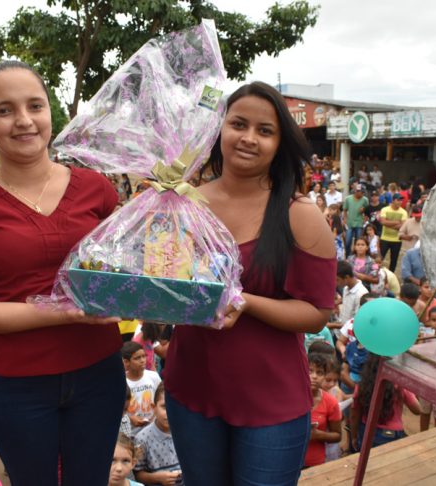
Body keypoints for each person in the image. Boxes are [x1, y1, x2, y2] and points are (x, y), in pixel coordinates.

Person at [0, 60, 125, 485]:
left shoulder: (96, 188)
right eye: (4, 110)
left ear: (50, 113)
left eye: (35, 106)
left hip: (98, 375)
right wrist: (65, 311)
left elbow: (121, 274)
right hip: (17, 387)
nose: (23, 120)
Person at [162, 82, 336, 486]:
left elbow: (317, 313)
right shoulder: (184, 204)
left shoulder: (298, 213)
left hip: (270, 403)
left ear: (279, 143)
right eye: (238, 124)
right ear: (219, 129)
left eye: (265, 130)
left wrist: (246, 302)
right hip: (191, 390)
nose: (249, 138)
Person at [350, 354, 421, 451]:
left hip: (367, 431)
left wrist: (354, 436)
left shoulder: (362, 385)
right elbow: (417, 410)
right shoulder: (399, 384)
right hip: (392, 434)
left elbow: (354, 414)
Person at [134, 383, 182, 486]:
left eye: (175, 407)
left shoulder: (186, 433)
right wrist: (157, 478)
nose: (169, 412)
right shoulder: (142, 439)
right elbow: (138, 474)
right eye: (164, 407)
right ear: (154, 408)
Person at [303, 353, 342, 468]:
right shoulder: (291, 397)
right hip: (289, 459)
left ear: (324, 376)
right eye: (310, 371)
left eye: (319, 372)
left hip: (314, 462)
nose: (314, 376)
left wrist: (318, 435)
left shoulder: (330, 402)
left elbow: (337, 436)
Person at [123, 341, 162, 434]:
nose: (142, 360)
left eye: (144, 356)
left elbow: (161, 399)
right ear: (126, 362)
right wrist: (129, 418)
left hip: (153, 429)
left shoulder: (153, 376)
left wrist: (155, 416)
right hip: (130, 431)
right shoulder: (122, 381)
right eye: (137, 358)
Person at [378, 193, 408, 271]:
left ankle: (392, 274)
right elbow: (383, 222)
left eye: (401, 200)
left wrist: (388, 224)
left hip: (397, 239)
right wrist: (397, 222)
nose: (400, 202)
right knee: (380, 258)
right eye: (398, 200)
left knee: (394, 260)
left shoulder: (404, 212)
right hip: (384, 238)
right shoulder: (385, 209)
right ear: (393, 200)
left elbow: (403, 226)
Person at [342, 183, 369, 257]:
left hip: (359, 223)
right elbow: (345, 210)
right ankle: (347, 256)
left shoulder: (365, 200)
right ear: (356, 191)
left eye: (363, 192)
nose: (362, 194)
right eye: (361, 192)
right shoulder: (348, 199)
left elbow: (367, 211)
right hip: (349, 223)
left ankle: (356, 256)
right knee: (347, 242)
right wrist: (345, 219)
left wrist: (364, 214)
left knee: (358, 241)